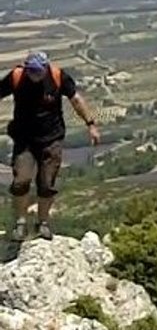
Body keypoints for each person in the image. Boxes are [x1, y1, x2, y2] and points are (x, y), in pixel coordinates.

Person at [0, 51, 100, 241]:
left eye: (37, 71)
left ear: (45, 68)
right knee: (21, 180)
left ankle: (42, 223)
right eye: (31, 71)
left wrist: (91, 124)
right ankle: (21, 224)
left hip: (51, 138)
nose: (34, 75)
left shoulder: (58, 77)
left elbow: (76, 100)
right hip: (24, 139)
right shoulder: (17, 77)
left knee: (46, 184)